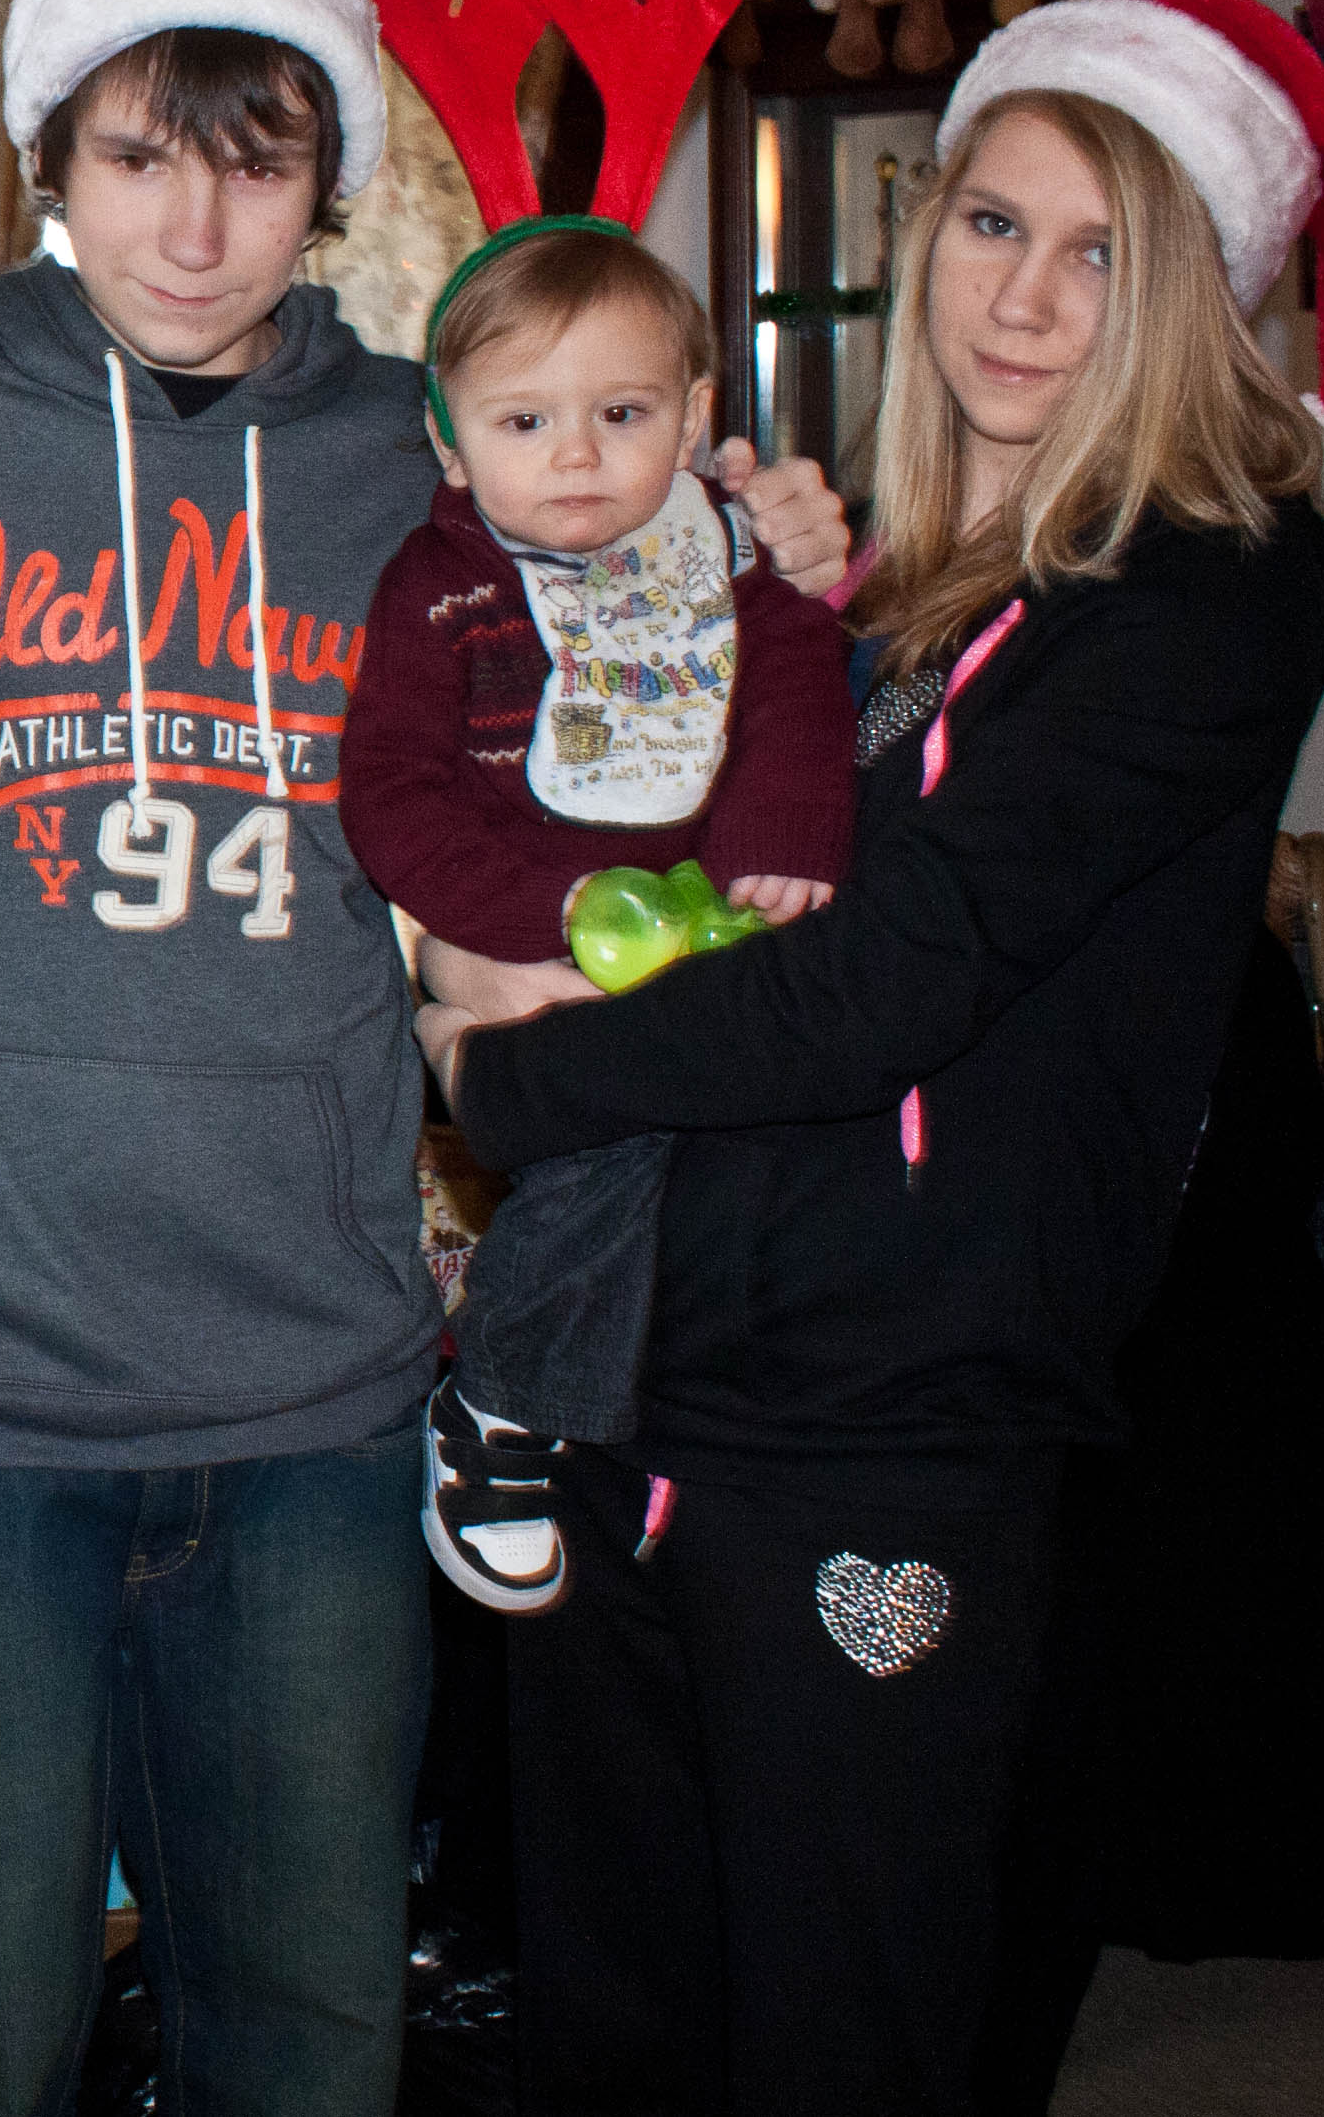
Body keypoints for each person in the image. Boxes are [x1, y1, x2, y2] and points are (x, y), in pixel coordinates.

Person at [0, 0, 856, 2117]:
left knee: (307, 2039)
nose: (189, 229)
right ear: (51, 156)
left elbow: (645, 570)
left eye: (253, 165)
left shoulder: (416, 453)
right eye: (133, 157)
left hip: (310, 1393)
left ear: (324, 177)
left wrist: (756, 540)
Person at [413, 0, 1324, 2112]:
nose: (1023, 299)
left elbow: (890, 979)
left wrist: (502, 1081)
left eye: (1098, 253)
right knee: (613, 2023)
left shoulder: (1207, 587)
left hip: (883, 1433)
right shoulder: (886, 575)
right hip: (637, 1383)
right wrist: (711, 584)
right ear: (923, 227)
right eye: (990, 223)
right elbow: (656, 837)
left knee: (845, 2028)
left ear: (1188, 297)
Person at [339, 224, 853, 1612]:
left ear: (692, 417)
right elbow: (389, 792)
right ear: (450, 443)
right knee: (610, 1122)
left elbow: (795, 689)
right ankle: (498, 1404)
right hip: (516, 930)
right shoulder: (437, 586)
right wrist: (536, 908)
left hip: (699, 931)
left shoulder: (723, 560)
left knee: (751, 1126)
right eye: (524, 421)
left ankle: (646, 1405)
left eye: (620, 414)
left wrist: (777, 841)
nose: (575, 455)